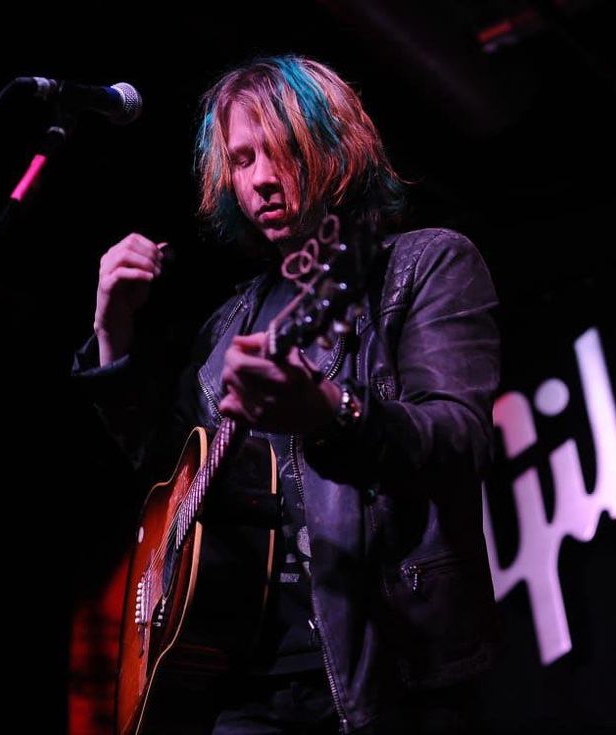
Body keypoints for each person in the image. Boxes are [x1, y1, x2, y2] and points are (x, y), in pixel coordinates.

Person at [71, 55, 501, 734]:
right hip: (242, 685)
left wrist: (334, 414)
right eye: (242, 160)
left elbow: (458, 440)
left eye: (283, 151)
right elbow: (167, 479)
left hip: (393, 675)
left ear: (334, 147)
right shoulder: (228, 326)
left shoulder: (421, 265)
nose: (262, 179)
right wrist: (112, 330)